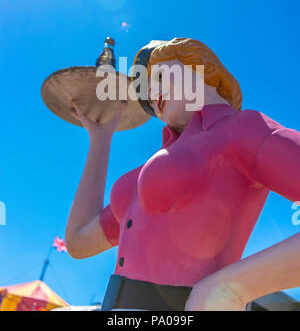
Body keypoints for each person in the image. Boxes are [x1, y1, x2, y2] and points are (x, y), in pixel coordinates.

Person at [65, 37, 300, 311]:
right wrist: (100, 140)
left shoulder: (244, 128)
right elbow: (79, 242)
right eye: (148, 97)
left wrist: (230, 288)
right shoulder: (144, 173)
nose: (154, 97)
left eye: (160, 76)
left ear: (201, 69)